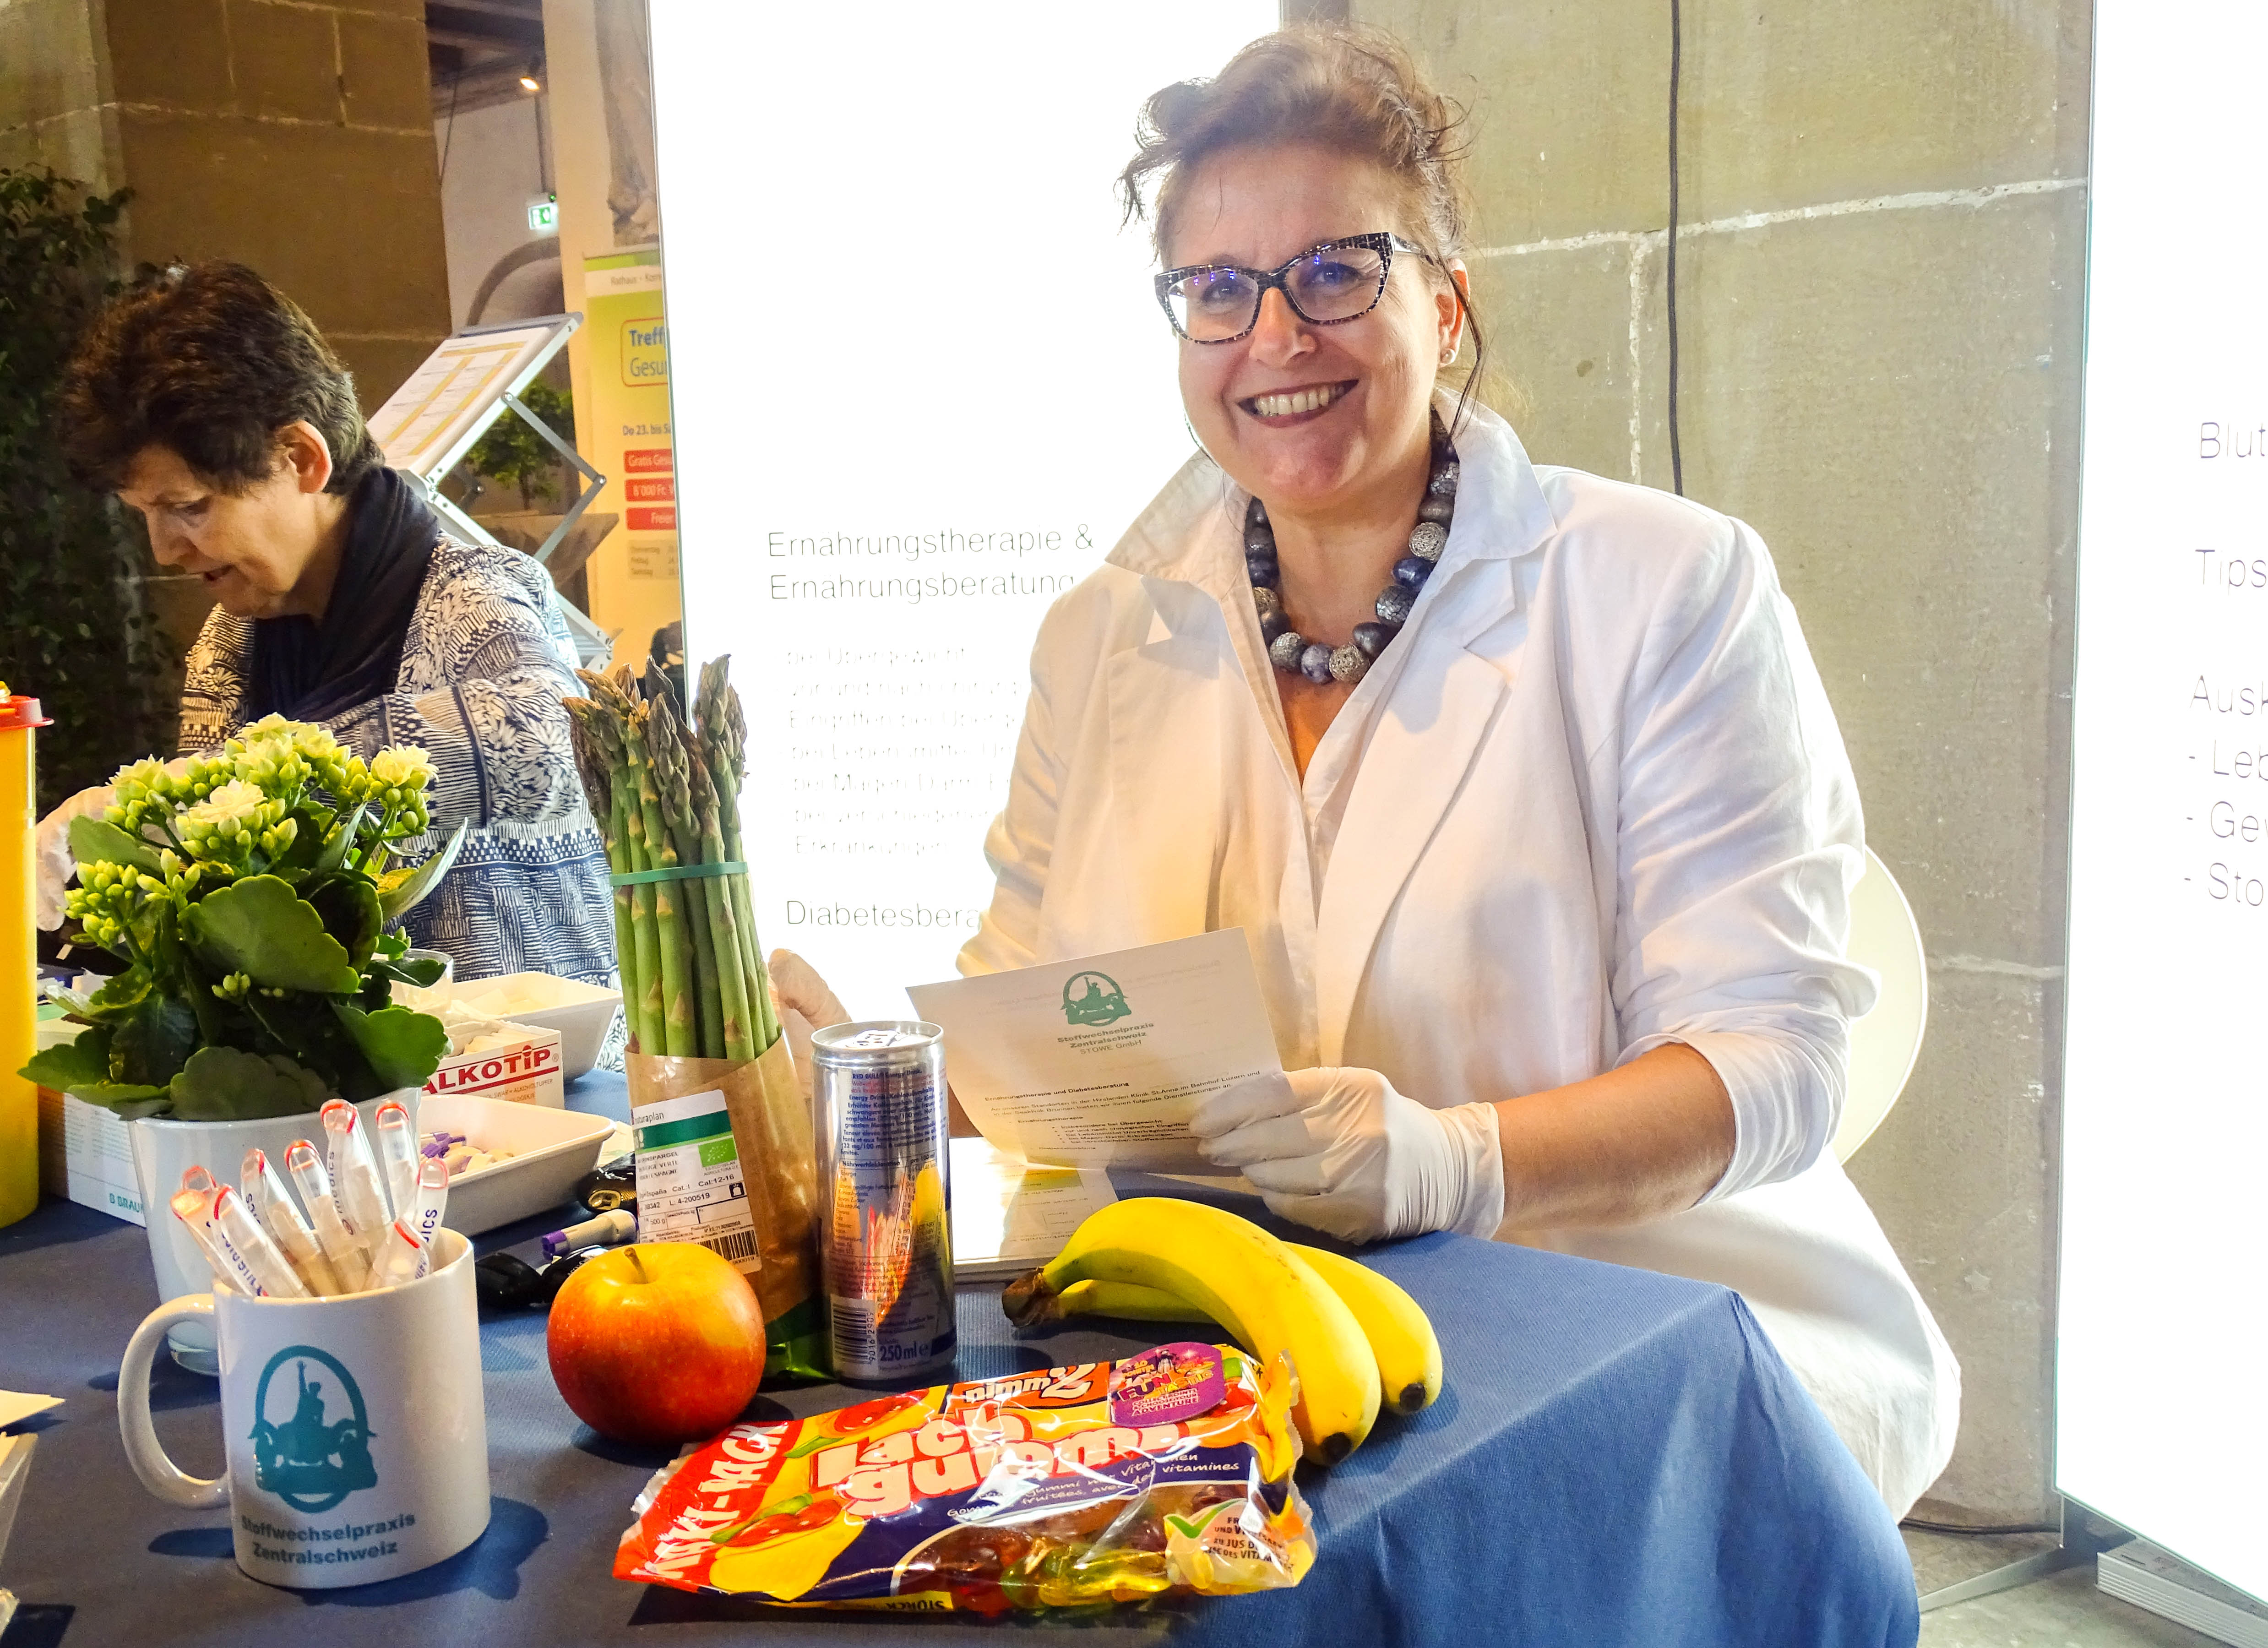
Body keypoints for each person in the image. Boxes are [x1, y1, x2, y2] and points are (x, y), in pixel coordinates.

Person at [772, 26, 1958, 1516]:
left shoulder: (1663, 588)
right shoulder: (1099, 638)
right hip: (1234, 1356)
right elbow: (1041, 1041)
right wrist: (865, 1075)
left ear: (1444, 308)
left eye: (1337, 270)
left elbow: (1778, 1069)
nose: (1276, 337)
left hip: (1632, 1344)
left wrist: (1449, 1162)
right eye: (1217, 290)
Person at [34, 262, 613, 984]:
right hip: (338, 1085)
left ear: (302, 458)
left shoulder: (470, 592)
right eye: (145, 515)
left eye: (189, 507)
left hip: (530, 1070)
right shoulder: (228, 644)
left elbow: (547, 740)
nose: (165, 549)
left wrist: (216, 788)